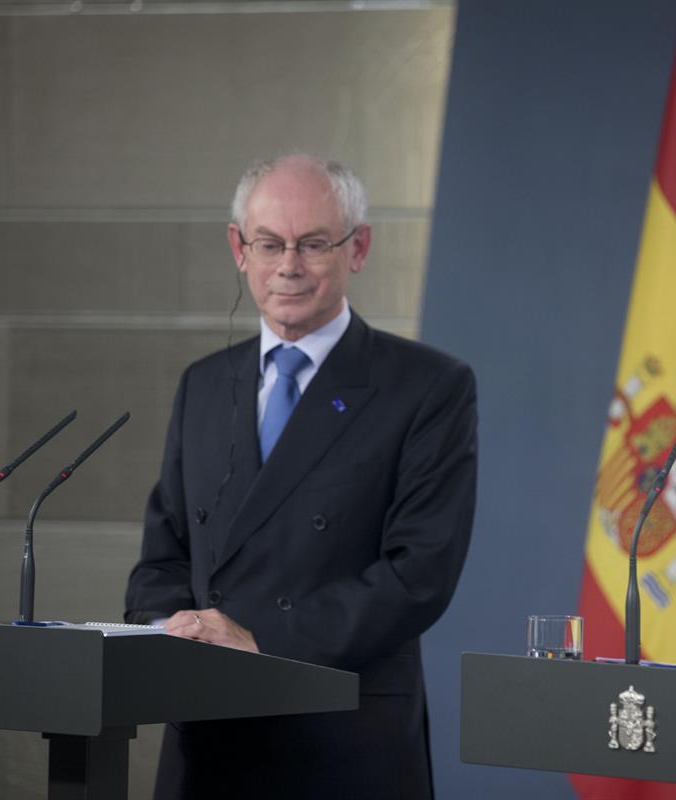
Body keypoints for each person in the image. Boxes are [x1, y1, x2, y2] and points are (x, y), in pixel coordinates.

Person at [125, 154, 477, 799]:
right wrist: (168, 632)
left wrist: (260, 639)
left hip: (343, 738)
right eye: (269, 243)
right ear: (239, 249)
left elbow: (419, 573)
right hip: (209, 738)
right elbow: (163, 555)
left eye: (313, 243)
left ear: (359, 247)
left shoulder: (427, 388)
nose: (288, 265)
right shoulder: (204, 384)